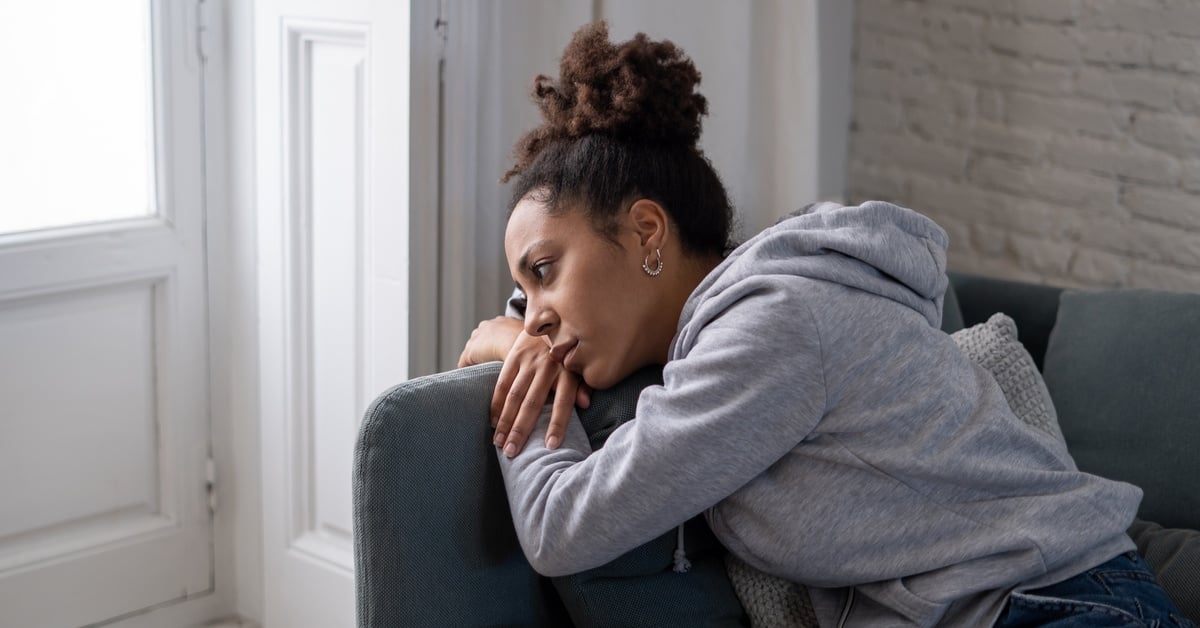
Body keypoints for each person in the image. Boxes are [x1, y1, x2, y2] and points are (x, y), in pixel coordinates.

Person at [457, 22, 1194, 627]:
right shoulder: (750, 325)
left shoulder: (771, 329)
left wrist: (508, 350)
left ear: (647, 231)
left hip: (1062, 608)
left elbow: (562, 528)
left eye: (543, 272)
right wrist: (524, 329)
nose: (535, 319)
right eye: (519, 299)